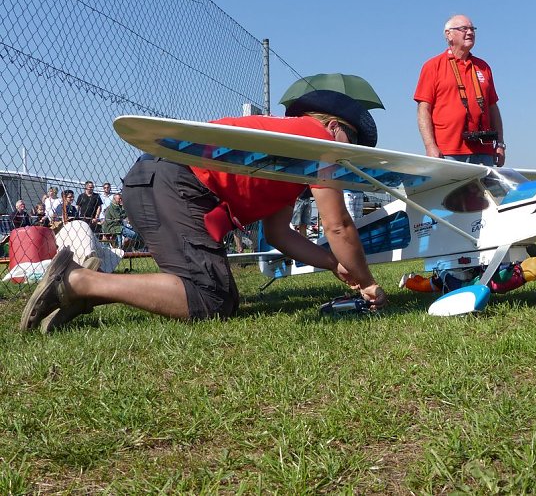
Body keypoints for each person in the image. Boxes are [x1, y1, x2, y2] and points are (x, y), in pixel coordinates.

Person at [21, 90, 387, 333]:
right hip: (173, 181)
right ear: (335, 127)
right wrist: (366, 280)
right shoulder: (318, 140)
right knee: (211, 298)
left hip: (161, 181)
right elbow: (338, 226)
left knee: (218, 296)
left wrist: (334, 265)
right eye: (351, 145)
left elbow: (280, 234)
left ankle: (82, 293)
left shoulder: (290, 157)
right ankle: (77, 281)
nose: (349, 156)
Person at [414, 14, 506, 167]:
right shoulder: (433, 66)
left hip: (484, 151)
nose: (470, 32)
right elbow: (423, 109)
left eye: (472, 29)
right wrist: (430, 146)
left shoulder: (483, 66)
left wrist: (500, 144)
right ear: (448, 34)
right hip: (448, 152)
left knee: (484, 192)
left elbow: (493, 108)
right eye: (464, 29)